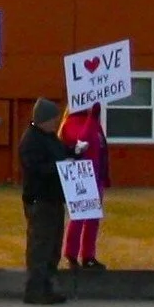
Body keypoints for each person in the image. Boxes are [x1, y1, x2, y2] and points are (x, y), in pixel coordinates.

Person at [18, 98, 75, 304]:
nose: (56, 123)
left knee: (53, 245)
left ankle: (47, 286)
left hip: (53, 198)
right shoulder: (31, 140)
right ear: (42, 119)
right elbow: (37, 169)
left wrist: (74, 151)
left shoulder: (49, 138)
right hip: (39, 199)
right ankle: (34, 289)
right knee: (40, 245)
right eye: (53, 119)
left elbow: (60, 151)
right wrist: (61, 165)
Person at [59, 103, 110, 272]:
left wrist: (104, 174)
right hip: (81, 177)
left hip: (96, 176)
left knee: (93, 219)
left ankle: (89, 255)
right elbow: (82, 141)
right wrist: (91, 119)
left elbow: (102, 148)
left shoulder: (94, 123)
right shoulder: (71, 123)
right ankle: (71, 254)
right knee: (79, 217)